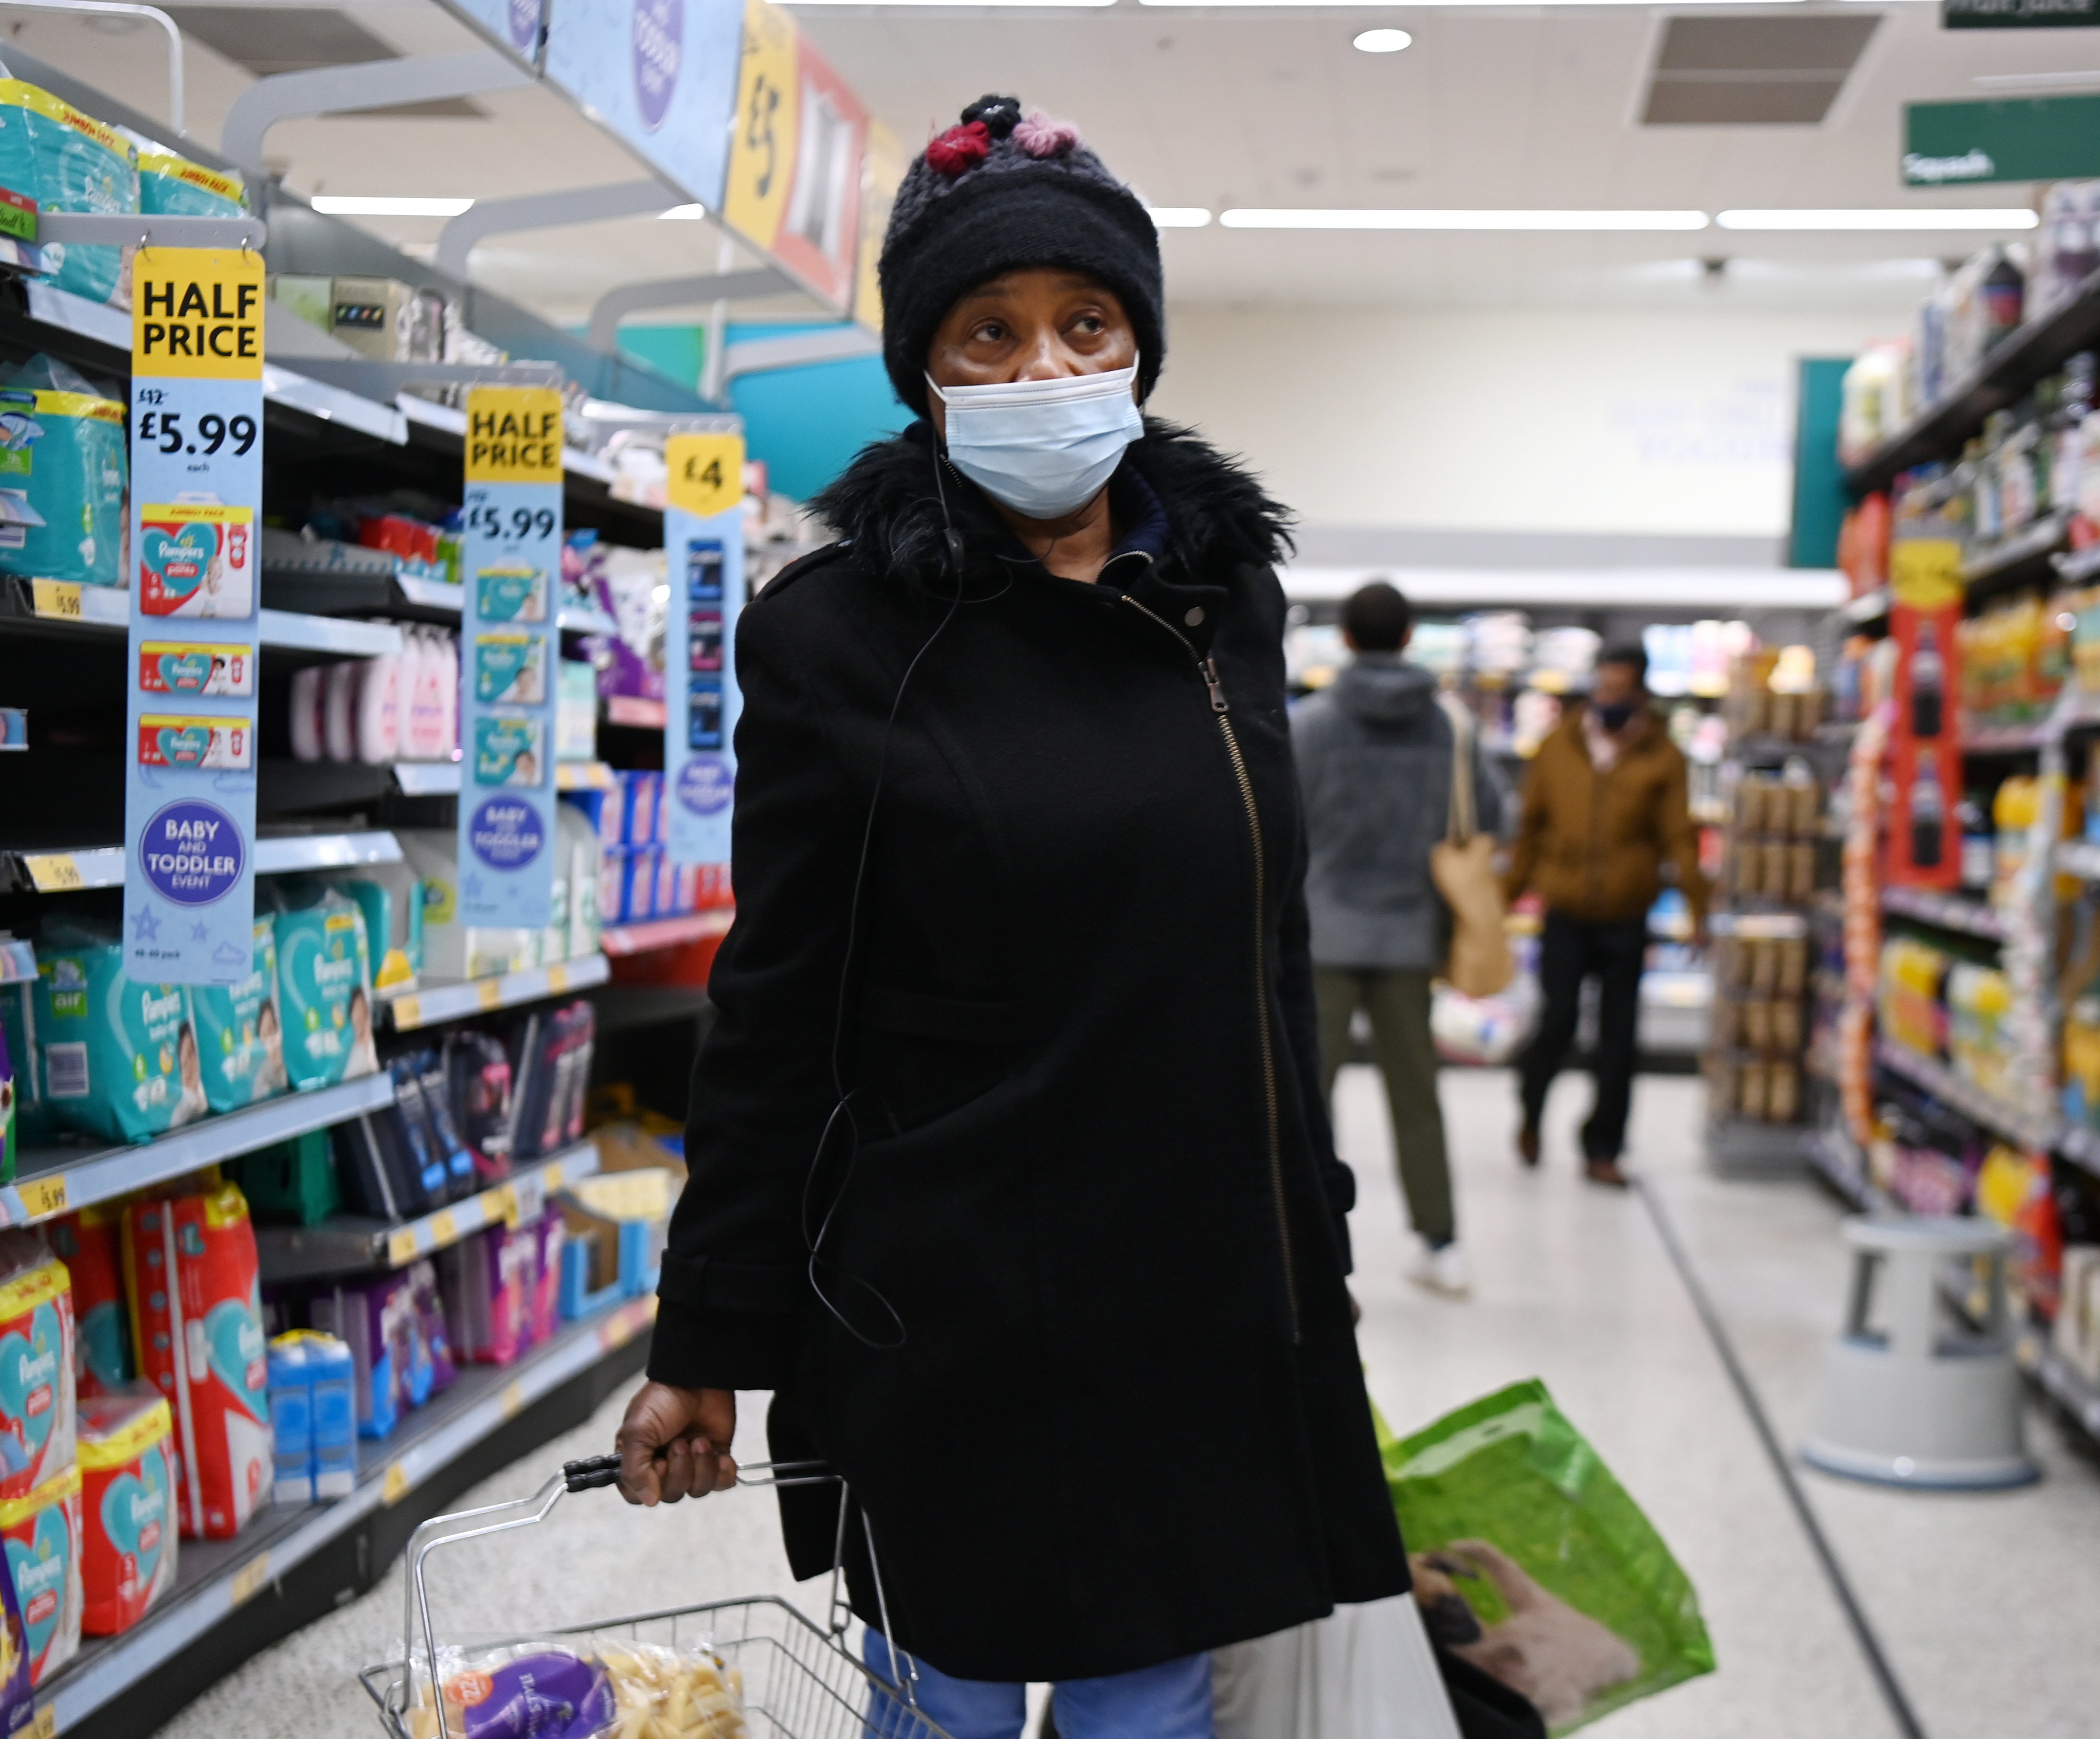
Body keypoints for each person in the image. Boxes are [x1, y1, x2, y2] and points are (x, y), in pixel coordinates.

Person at [612, 93, 1412, 1739]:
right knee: (949, 1705)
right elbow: (776, 1007)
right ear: (923, 370)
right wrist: (706, 1331)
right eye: (988, 331)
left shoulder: (1223, 604)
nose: (1043, 367)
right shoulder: (838, 636)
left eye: (1084, 323)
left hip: (1192, 1292)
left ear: (1139, 345)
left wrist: (1309, 1251)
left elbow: (1268, 948)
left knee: (1152, 1704)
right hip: (950, 1303)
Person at [1292, 581, 1501, 1298]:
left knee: (1307, 1101)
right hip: (1411, 935)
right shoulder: (1449, 727)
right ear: (1410, 637)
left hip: (1321, 935)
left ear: (1344, 639)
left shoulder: (1310, 723)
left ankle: (1304, 1249)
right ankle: (1440, 1243)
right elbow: (1490, 813)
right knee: (1417, 1098)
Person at [1503, 643, 1708, 1187]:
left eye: (1620, 690)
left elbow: (1678, 838)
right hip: (1565, 910)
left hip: (1625, 912)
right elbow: (1529, 830)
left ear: (1640, 691)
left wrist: (1697, 906)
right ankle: (1529, 1109)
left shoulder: (1661, 756)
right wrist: (1504, 896)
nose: (1608, 699)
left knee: (1618, 1040)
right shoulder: (1557, 747)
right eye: (1603, 687)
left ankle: (1603, 1149)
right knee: (1557, 1020)